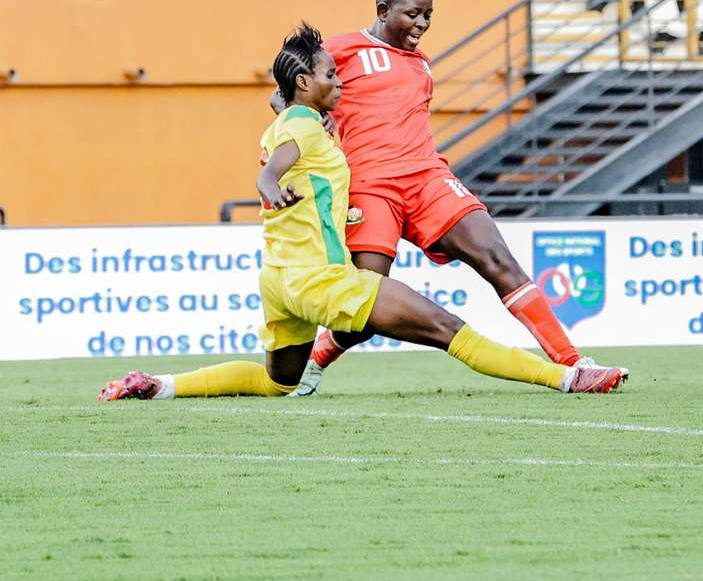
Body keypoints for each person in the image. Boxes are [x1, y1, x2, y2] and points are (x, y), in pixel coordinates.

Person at [99, 23, 626, 401]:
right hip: (323, 281)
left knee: (275, 383)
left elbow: (284, 142)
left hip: (280, 281)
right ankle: (565, 377)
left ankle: (160, 385)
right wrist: (269, 185)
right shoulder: (303, 128)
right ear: (304, 84)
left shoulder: (292, 121)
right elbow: (274, 168)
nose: (342, 83)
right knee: (447, 328)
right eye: (332, 75)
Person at [279, 0, 628, 396]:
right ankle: (316, 359)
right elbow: (283, 94)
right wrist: (312, 115)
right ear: (383, 10)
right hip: (370, 187)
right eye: (413, 14)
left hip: (428, 179)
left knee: (496, 257)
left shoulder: (422, 64)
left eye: (428, 14)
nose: (423, 23)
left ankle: (573, 364)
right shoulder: (343, 49)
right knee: (366, 303)